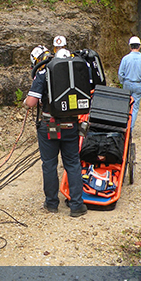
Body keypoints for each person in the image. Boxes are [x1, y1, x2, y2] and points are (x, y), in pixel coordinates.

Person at [24, 46, 88, 217]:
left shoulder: (44, 73)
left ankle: (52, 203)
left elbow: (31, 102)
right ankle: (76, 205)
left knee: (50, 164)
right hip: (71, 125)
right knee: (73, 163)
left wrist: (26, 102)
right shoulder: (76, 72)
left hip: (49, 125)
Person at [117, 36, 141, 132]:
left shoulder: (125, 59)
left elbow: (120, 73)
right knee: (134, 108)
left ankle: (124, 126)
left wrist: (122, 82)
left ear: (130, 46)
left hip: (127, 83)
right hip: (137, 84)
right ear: (139, 46)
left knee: (126, 106)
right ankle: (130, 128)